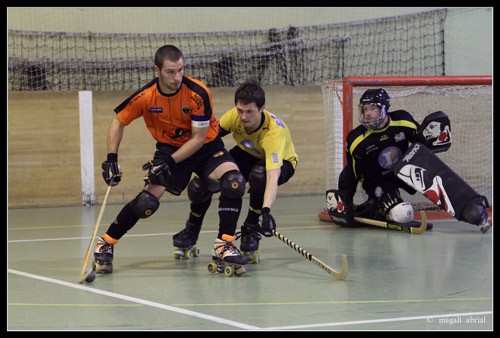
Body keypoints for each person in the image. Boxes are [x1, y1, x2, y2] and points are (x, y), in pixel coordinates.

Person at [94, 44, 250, 274]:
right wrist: (111, 158)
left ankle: (224, 244)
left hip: (206, 147)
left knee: (234, 181)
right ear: (157, 70)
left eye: (180, 70)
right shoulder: (146, 97)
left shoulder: (197, 92)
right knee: (146, 203)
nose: (177, 77)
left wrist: (169, 163)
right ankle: (106, 242)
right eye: (170, 72)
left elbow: (198, 139)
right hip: (170, 149)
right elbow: (118, 121)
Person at [326, 88, 490, 230]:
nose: (368, 113)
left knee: (432, 172)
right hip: (378, 181)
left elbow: (422, 145)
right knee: (403, 214)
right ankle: (374, 207)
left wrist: (434, 140)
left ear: (385, 108)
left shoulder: (403, 120)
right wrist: (344, 200)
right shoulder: (356, 140)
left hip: (405, 169)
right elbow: (351, 174)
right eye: (365, 109)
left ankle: (469, 206)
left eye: (373, 108)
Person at [173, 80, 299, 263]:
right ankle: (192, 229)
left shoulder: (273, 134)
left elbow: (273, 176)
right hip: (247, 152)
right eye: (240, 110)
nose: (244, 117)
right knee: (201, 184)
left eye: (249, 112)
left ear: (262, 108)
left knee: (260, 176)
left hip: (283, 163)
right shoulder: (234, 116)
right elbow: (206, 140)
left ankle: (251, 227)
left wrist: (266, 211)